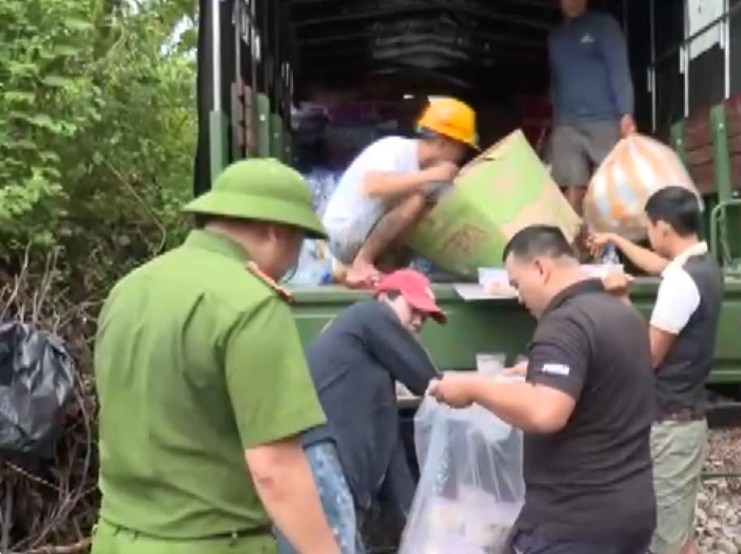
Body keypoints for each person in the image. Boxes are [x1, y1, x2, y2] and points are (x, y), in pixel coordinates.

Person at [90, 158, 341, 554]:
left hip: (115, 538)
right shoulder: (251, 304)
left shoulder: (129, 289)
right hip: (211, 543)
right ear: (277, 233)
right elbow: (276, 468)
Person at [429, 224, 657, 553]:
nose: (519, 297)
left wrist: (474, 387)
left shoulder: (565, 322)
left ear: (541, 268)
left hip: (575, 522)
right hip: (630, 512)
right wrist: (538, 373)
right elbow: (606, 383)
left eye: (518, 284)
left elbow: (545, 411)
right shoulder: (623, 315)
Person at [276, 269, 445, 554]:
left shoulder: (370, 366)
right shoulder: (370, 314)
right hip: (320, 455)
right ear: (384, 297)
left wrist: (416, 523)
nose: (418, 321)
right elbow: (425, 379)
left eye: (425, 317)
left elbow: (392, 453)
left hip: (321, 461)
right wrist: (469, 389)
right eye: (414, 308)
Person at [591, 187, 722, 554]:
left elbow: (646, 356)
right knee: (679, 536)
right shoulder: (702, 265)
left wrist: (619, 298)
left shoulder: (680, 283)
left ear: (663, 228)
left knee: (666, 540)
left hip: (670, 423)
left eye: (649, 227)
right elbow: (656, 265)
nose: (649, 235)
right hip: (686, 416)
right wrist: (615, 239)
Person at [321, 96, 478, 288]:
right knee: (415, 201)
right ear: (444, 142)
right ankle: (361, 264)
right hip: (344, 235)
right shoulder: (393, 148)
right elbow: (373, 186)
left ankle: (387, 271)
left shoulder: (437, 176)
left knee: (428, 211)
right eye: (461, 147)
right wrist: (430, 176)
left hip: (371, 237)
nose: (461, 156)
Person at [548, 0, 636, 215]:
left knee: (605, 184)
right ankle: (573, 245)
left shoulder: (604, 26)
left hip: (604, 119)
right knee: (572, 187)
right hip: (566, 124)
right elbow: (556, 83)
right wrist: (555, 123)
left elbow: (619, 70)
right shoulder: (555, 39)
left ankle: (605, 242)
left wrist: (626, 113)